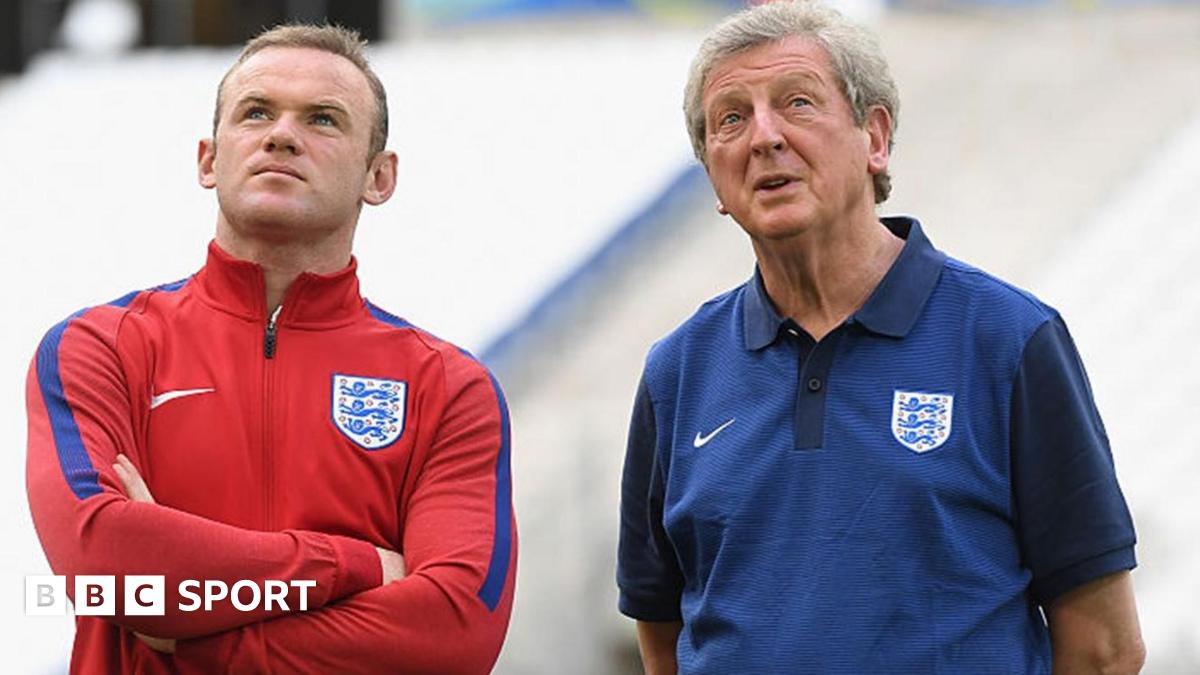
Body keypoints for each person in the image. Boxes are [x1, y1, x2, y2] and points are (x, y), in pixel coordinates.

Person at [616, 2, 1143, 673]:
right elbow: (662, 636)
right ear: (714, 179)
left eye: (798, 103)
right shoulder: (677, 372)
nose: (765, 137)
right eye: (731, 119)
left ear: (875, 137)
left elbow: (1103, 647)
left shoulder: (1010, 339)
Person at [26, 24, 516, 674]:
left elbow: (457, 629)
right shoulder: (99, 348)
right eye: (256, 111)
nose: (282, 134)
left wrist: (201, 635)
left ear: (379, 175)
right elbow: (105, 561)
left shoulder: (449, 387)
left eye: (323, 119)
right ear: (208, 159)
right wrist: (359, 563)